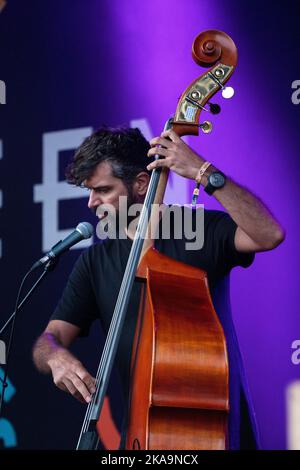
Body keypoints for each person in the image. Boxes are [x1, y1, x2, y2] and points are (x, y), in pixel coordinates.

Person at [32, 126, 285, 450]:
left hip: (213, 432)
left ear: (140, 184)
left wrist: (204, 173)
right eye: (89, 191)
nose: (91, 203)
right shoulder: (96, 261)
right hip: (142, 436)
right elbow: (48, 339)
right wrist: (56, 357)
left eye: (103, 190)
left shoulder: (198, 231)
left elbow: (269, 234)